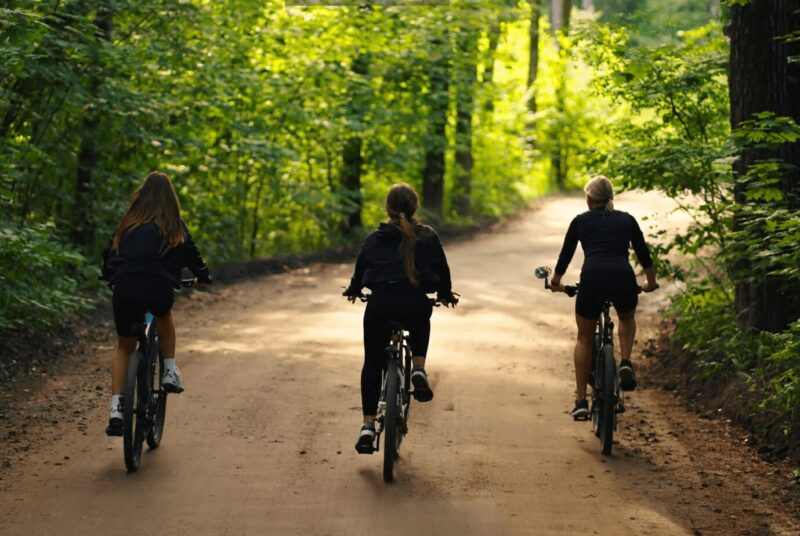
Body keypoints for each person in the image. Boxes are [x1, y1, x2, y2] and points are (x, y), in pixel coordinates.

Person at [343, 183, 458, 453]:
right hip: (414, 303)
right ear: (415, 207)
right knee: (421, 315)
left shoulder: (374, 238)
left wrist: (354, 289)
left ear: (387, 208)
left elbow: (360, 269)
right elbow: (442, 269)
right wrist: (444, 294)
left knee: (372, 361)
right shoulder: (428, 236)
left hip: (380, 306)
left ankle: (368, 426)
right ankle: (418, 367)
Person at [101, 171, 211, 436]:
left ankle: (116, 407)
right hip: (158, 286)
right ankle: (170, 372)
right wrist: (203, 276)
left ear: (141, 195)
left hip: (125, 287)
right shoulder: (173, 224)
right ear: (170, 199)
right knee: (164, 316)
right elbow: (191, 254)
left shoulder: (128, 223)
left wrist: (109, 276)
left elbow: (109, 255)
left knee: (124, 348)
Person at [550, 176, 658, 419]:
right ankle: (626, 362)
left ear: (589, 199)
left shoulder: (580, 221)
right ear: (611, 198)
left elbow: (565, 256)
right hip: (623, 279)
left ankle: (580, 401)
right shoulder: (627, 220)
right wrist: (650, 283)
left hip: (592, 279)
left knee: (584, 339)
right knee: (626, 317)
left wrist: (556, 283)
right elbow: (644, 254)